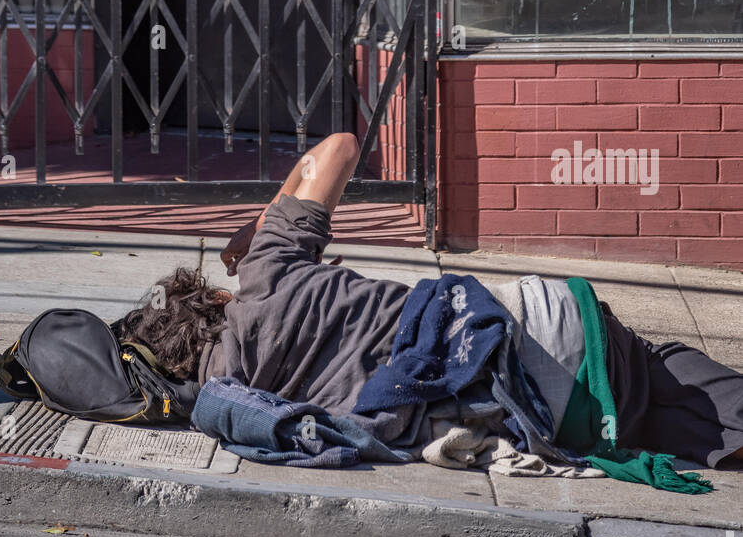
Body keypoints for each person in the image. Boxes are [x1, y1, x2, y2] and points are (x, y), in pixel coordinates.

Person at [112, 132, 743, 470]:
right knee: (652, 360)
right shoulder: (265, 272)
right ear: (213, 300)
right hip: (525, 330)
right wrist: (257, 231)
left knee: (641, 404)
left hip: (537, 419)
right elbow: (337, 148)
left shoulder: (229, 396)